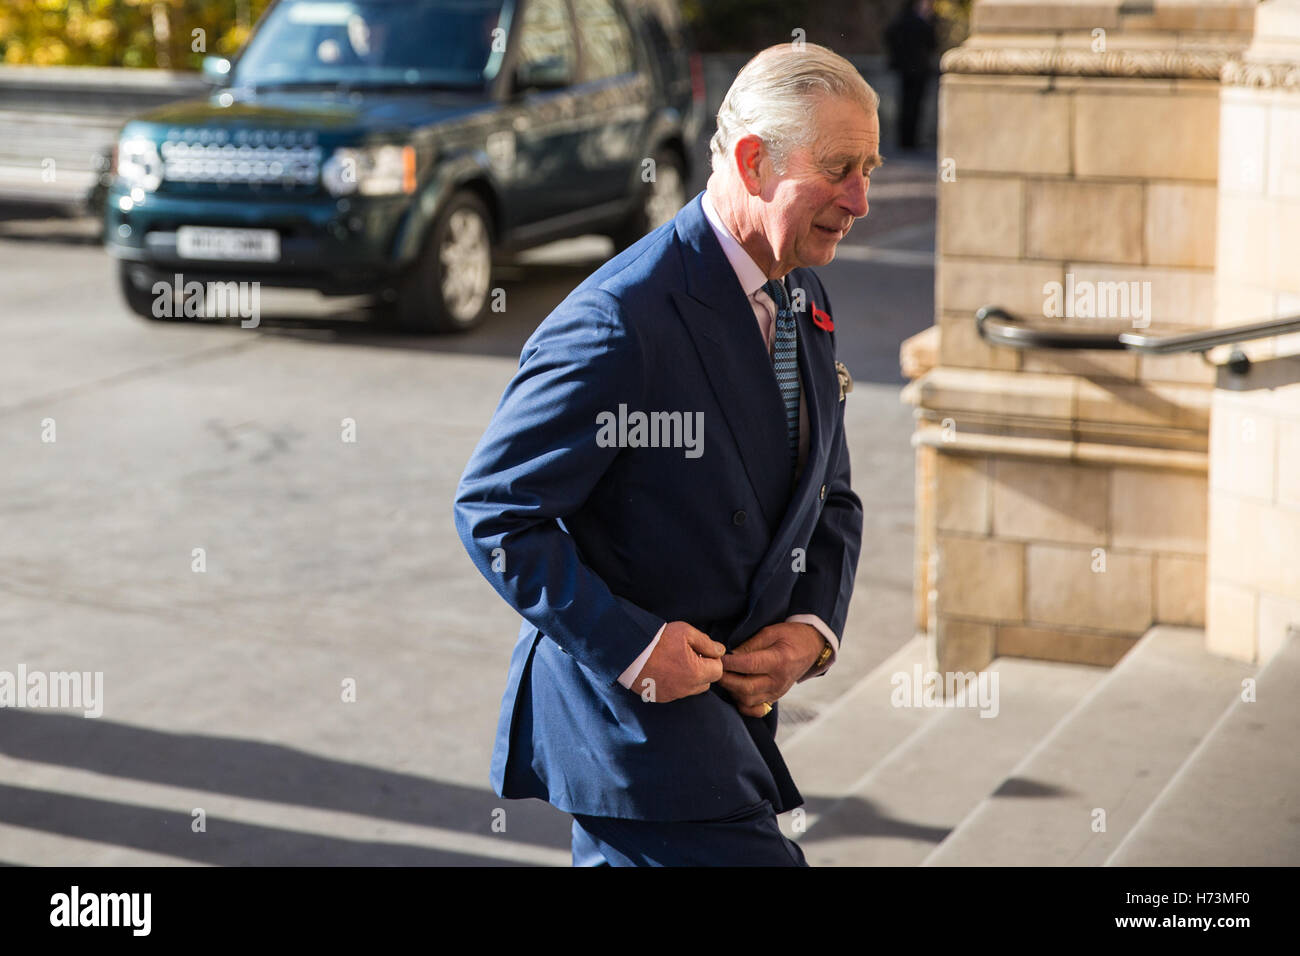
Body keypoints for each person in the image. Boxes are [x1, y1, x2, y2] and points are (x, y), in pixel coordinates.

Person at [453, 42, 876, 866]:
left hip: (730, 729)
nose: (861, 198)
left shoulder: (801, 289)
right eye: (839, 168)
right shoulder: (621, 318)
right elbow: (496, 511)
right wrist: (636, 649)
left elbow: (830, 495)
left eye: (868, 165)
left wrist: (812, 628)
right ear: (754, 162)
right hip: (637, 740)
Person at [884, 0, 937, 150]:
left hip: (906, 68)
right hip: (917, 69)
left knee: (906, 104)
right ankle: (910, 140)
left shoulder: (901, 20)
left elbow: (889, 35)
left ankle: (905, 140)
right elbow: (932, 42)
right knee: (914, 105)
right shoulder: (922, 23)